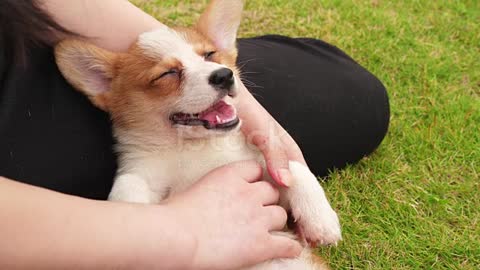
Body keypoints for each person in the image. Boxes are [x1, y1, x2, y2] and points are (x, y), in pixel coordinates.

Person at [0, 0, 390, 269]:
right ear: (104, 86)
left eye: (209, 58)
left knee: (358, 100)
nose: (215, 72)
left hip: (20, 51)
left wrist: (257, 117)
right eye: (169, 75)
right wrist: (174, 234)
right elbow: (136, 185)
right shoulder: (140, 152)